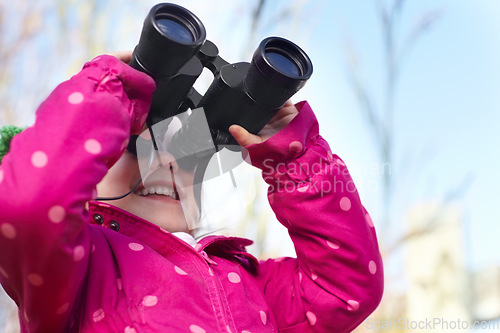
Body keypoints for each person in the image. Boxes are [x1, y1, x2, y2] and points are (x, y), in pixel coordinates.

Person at [0, 52, 383, 333]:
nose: (168, 163)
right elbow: (31, 203)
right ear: (84, 176)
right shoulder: (72, 269)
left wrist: (293, 158)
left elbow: (346, 289)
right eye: (136, 149)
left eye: (190, 156)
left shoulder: (249, 282)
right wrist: (109, 87)